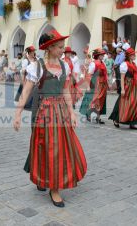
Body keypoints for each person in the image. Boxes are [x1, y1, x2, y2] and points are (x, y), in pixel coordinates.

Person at [14, 29, 87, 208]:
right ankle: (49, 184)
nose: (63, 50)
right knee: (45, 147)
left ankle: (54, 186)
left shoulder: (65, 66)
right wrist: (17, 114)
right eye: (60, 47)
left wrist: (71, 112)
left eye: (62, 47)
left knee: (60, 148)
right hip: (44, 112)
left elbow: (65, 91)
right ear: (50, 48)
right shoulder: (36, 67)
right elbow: (26, 91)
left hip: (60, 111)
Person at [109, 48, 137, 130]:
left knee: (135, 103)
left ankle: (132, 122)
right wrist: (123, 89)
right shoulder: (124, 64)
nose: (134, 56)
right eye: (133, 55)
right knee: (123, 102)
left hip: (134, 86)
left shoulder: (134, 64)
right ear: (129, 56)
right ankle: (116, 119)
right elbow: (122, 78)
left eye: (134, 54)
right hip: (127, 85)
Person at [79, 48, 108, 123]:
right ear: (98, 56)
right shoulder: (94, 63)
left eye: (103, 55)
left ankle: (98, 117)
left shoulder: (102, 63)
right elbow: (89, 75)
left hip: (102, 83)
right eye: (102, 55)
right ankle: (88, 113)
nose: (103, 56)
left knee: (101, 100)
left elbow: (105, 74)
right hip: (95, 83)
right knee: (94, 99)